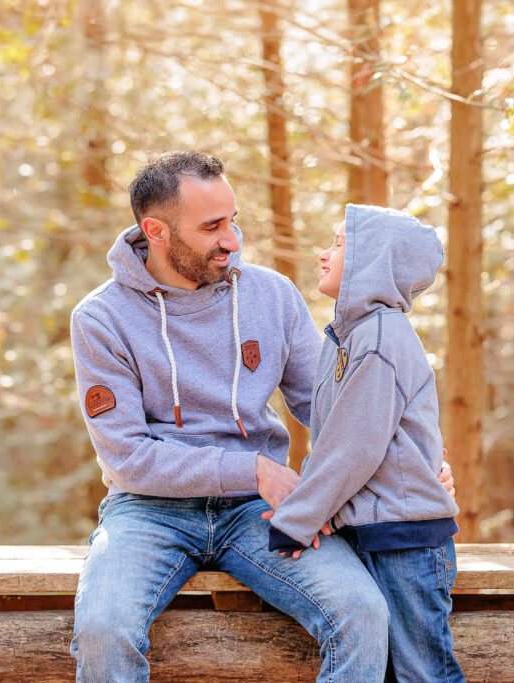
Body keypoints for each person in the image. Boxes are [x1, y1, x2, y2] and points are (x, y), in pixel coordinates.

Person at [68, 151, 454, 682]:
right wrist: (252, 469)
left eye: (233, 220)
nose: (232, 239)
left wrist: (413, 464)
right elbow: (129, 457)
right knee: (103, 628)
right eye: (212, 226)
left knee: (363, 613)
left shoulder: (271, 294)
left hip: (259, 512)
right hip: (147, 512)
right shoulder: (101, 318)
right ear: (155, 231)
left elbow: (337, 407)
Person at [263, 204, 464, 683]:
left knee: (423, 673)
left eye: (337, 244)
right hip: (377, 532)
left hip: (406, 541)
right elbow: (343, 435)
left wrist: (297, 520)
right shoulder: (348, 336)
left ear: (372, 259)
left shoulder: (379, 338)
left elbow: (351, 448)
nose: (322, 253)